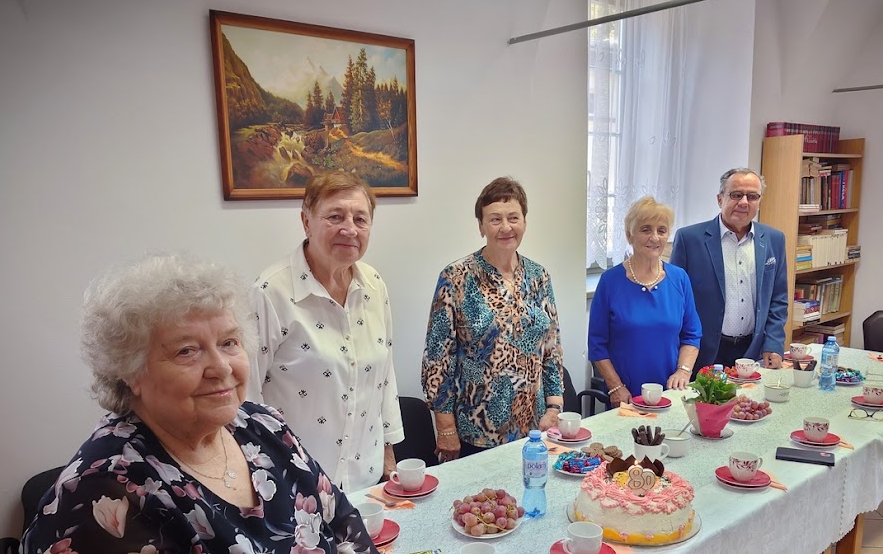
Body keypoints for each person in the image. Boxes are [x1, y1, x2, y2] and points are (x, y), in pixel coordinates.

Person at [12, 255, 463, 554]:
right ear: (131, 372)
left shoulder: (258, 427)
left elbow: (339, 525)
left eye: (229, 342)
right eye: (187, 351)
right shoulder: (105, 503)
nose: (221, 367)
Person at [251, 171, 404, 492]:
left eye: (360, 219)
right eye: (335, 216)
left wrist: (388, 454)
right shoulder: (271, 292)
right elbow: (247, 397)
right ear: (306, 221)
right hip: (295, 484)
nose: (349, 229)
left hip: (366, 477)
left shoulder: (373, 284)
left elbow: (384, 374)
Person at [423, 176, 564, 461]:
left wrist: (554, 407)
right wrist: (445, 428)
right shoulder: (456, 277)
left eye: (513, 217)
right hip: (476, 432)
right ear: (481, 226)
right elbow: (437, 359)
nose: (506, 227)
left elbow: (552, 348)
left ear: (524, 222)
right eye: (495, 219)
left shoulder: (539, 276)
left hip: (534, 428)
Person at [669, 167, 788, 370]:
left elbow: (778, 299)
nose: (744, 202)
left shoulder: (774, 239)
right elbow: (675, 300)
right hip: (703, 352)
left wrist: (773, 343)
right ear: (720, 199)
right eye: (736, 195)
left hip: (753, 351)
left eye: (752, 196)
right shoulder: (689, 239)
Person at [588, 197, 702, 403]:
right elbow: (597, 344)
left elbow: (692, 334)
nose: (655, 237)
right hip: (626, 395)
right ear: (629, 235)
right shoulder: (610, 281)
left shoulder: (679, 278)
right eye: (646, 229)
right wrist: (615, 387)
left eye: (662, 230)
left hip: (670, 391)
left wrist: (683, 371)